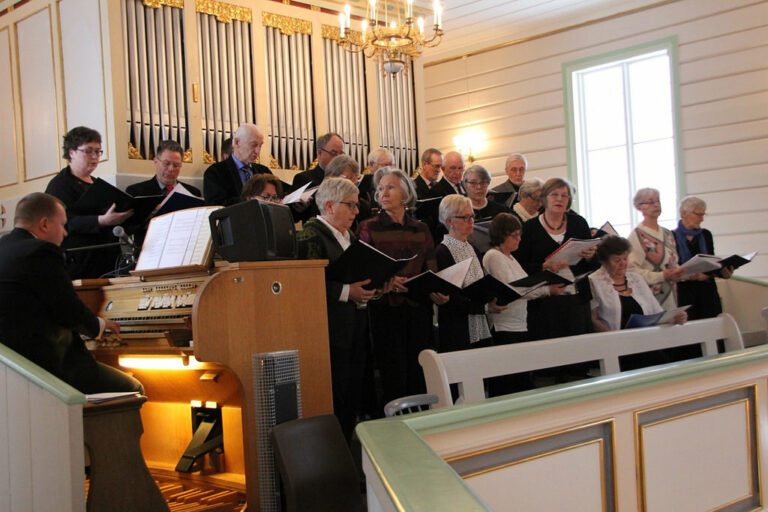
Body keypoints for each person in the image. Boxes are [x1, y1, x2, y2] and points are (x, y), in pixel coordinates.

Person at [0, 192, 143, 394]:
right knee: (132, 388)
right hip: (48, 364)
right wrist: (100, 326)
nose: (65, 233)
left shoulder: (5, 248)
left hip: (12, 366)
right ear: (44, 224)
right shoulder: (41, 252)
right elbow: (67, 309)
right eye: (62, 225)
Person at [296, 177, 376, 441]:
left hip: (354, 323)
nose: (356, 212)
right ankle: (335, 446)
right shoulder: (310, 235)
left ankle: (349, 439)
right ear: (329, 206)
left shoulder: (347, 234)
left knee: (353, 387)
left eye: (356, 206)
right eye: (350, 206)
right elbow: (306, 284)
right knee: (337, 389)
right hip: (330, 328)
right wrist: (346, 291)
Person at [357, 167, 443, 407]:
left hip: (418, 306)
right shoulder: (369, 227)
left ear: (405, 194)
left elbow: (431, 266)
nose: (384, 193)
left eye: (391, 187)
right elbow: (365, 267)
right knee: (392, 370)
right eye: (381, 188)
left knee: (419, 367)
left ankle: (423, 419)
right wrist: (388, 282)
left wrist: (435, 288)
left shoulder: (421, 228)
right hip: (385, 307)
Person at [483, 213, 561, 395]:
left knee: (520, 381)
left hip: (518, 325)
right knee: (508, 383)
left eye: (520, 234)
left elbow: (524, 285)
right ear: (502, 235)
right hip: (504, 327)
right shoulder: (494, 255)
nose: (519, 239)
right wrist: (547, 290)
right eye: (514, 235)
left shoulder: (510, 257)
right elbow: (514, 290)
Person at [514, 177, 599, 341]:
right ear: (544, 198)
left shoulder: (578, 223)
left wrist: (590, 256)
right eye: (554, 194)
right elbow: (519, 265)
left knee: (578, 353)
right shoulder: (530, 228)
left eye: (564, 195)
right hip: (543, 302)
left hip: (576, 298)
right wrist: (543, 266)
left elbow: (593, 265)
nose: (560, 199)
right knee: (550, 356)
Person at [45, 126, 133, 279]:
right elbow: (64, 223)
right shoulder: (60, 185)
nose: (95, 156)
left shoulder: (97, 184)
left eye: (98, 151)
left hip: (107, 258)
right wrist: (101, 220)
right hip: (80, 262)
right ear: (71, 152)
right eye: (88, 150)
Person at [435, 195, 502, 353]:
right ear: (450, 221)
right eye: (466, 217)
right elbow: (450, 298)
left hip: (479, 321)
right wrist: (484, 307)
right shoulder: (442, 252)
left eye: (472, 216)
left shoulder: (473, 247)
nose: (472, 221)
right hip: (457, 327)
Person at [590, 236, 687, 332]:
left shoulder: (636, 279)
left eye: (625, 258)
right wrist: (616, 338)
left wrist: (673, 318)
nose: (623, 263)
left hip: (644, 338)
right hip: (612, 342)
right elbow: (593, 319)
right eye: (617, 260)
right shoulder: (593, 281)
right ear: (604, 262)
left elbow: (656, 312)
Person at [674, 196, 732, 320]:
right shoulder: (671, 236)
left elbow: (712, 261)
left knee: (714, 329)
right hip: (685, 292)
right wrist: (689, 275)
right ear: (683, 213)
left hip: (707, 291)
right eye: (698, 214)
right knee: (691, 333)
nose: (702, 219)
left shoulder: (706, 234)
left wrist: (722, 272)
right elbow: (671, 266)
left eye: (703, 214)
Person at [627, 188, 684, 310]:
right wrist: (660, 276)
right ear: (639, 207)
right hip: (650, 297)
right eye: (651, 202)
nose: (656, 205)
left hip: (671, 295)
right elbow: (632, 271)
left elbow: (674, 261)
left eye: (658, 201)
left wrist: (679, 272)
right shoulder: (637, 235)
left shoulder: (668, 233)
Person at [203, 123, 272, 206]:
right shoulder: (215, 172)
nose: (257, 151)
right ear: (237, 142)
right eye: (254, 145)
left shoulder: (264, 171)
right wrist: (249, 200)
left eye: (260, 146)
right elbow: (216, 205)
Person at [126, 140, 201, 198]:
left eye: (176, 165)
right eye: (166, 163)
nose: (171, 169)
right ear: (155, 161)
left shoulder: (193, 193)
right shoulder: (135, 192)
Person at [325, 155, 372, 229]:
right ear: (334, 178)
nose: (355, 181)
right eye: (350, 177)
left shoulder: (363, 204)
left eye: (357, 177)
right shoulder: (323, 200)